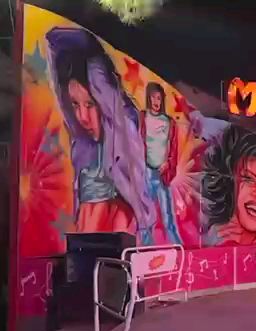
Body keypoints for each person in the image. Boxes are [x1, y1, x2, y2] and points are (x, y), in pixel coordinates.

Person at [46, 27, 156, 243]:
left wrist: (92, 53)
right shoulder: (82, 145)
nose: (82, 117)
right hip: (87, 235)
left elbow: (106, 92)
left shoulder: (122, 133)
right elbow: (60, 92)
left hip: (113, 229)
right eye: (75, 104)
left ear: (104, 102)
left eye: (90, 104)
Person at [140, 81, 182, 244]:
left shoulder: (168, 122)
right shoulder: (142, 118)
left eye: (159, 98)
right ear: (148, 98)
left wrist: (168, 164)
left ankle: (178, 250)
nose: (156, 102)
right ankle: (145, 250)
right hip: (146, 172)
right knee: (146, 218)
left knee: (167, 217)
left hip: (162, 174)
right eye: (153, 97)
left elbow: (174, 149)